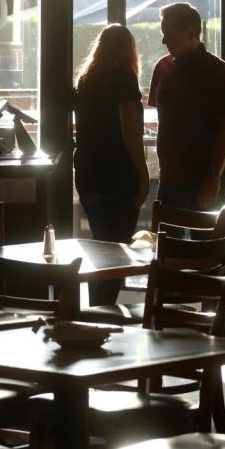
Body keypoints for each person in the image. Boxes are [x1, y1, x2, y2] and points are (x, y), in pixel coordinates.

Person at [74, 24, 150, 305]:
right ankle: (103, 309)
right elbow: (129, 130)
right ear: (127, 49)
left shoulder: (86, 79)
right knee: (118, 250)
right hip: (118, 174)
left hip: (88, 173)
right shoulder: (124, 78)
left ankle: (97, 308)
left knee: (102, 245)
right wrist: (143, 175)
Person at [148, 2, 225, 211]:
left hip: (204, 178)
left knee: (204, 243)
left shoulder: (218, 73)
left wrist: (214, 176)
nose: (164, 40)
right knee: (166, 241)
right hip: (170, 176)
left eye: (169, 34)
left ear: (190, 33)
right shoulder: (162, 68)